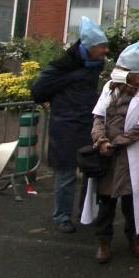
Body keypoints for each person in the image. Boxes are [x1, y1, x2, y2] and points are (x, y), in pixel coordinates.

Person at [82, 39, 139, 264]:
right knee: (105, 201)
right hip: (107, 155)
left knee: (131, 201)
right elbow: (98, 116)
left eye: (123, 69)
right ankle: (103, 242)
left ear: (135, 73)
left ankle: (136, 239)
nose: (116, 72)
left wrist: (117, 144)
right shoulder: (109, 88)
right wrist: (100, 141)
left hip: (128, 157)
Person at [30, 17, 109, 233]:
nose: (106, 50)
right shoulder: (62, 67)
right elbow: (37, 90)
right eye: (102, 46)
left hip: (87, 124)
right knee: (66, 174)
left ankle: (86, 212)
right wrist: (52, 101)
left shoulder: (94, 64)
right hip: (64, 126)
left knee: (91, 172)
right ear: (90, 47)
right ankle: (62, 216)